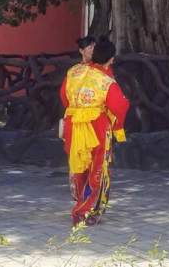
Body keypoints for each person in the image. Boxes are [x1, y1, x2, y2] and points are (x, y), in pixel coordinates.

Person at [60, 38, 129, 226]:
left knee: (78, 165)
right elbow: (120, 106)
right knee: (97, 168)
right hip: (96, 125)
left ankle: (80, 203)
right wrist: (118, 127)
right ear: (111, 59)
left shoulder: (73, 72)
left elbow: (64, 97)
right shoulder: (105, 80)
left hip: (73, 124)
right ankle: (86, 210)